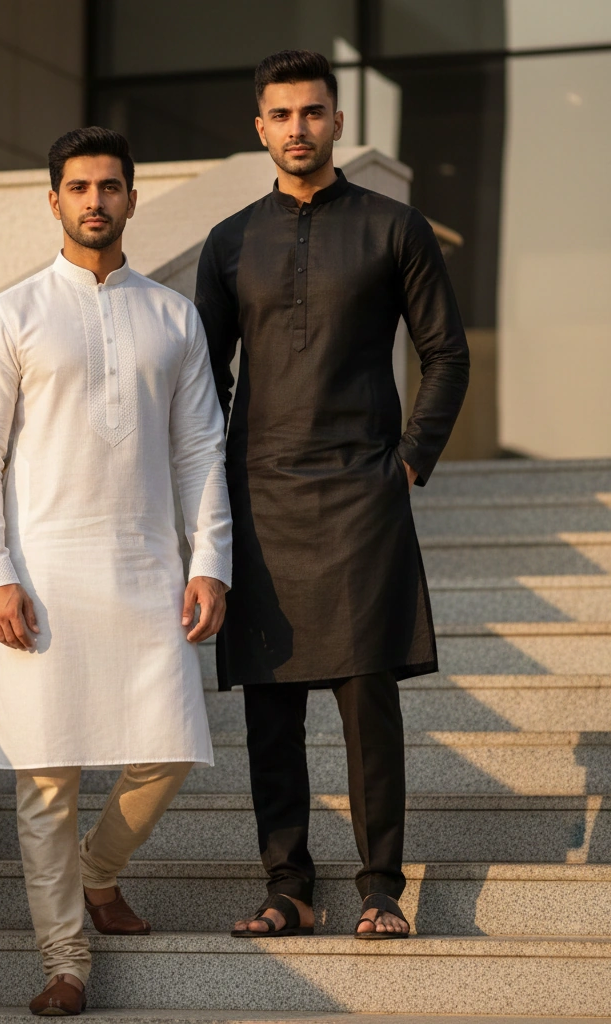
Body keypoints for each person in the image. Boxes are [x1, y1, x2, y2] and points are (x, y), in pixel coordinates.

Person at [0, 126, 231, 1015]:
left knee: (169, 749)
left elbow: (200, 449)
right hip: (43, 576)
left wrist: (211, 560)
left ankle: (99, 871)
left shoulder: (171, 314)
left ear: (132, 199)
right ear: (54, 201)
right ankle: (65, 960)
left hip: (148, 569)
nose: (94, 201)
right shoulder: (13, 313)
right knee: (46, 780)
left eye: (109, 186)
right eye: (78, 187)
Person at [195, 50, 469, 940]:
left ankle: (380, 886)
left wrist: (410, 461)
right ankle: (288, 887)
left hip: (361, 496)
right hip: (260, 498)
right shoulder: (231, 240)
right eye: (282, 115)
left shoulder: (394, 225)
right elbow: (204, 379)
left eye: (314, 113)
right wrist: (212, 492)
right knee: (270, 711)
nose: (298, 129)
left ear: (339, 123)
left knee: (367, 701)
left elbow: (446, 352)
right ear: (261, 128)